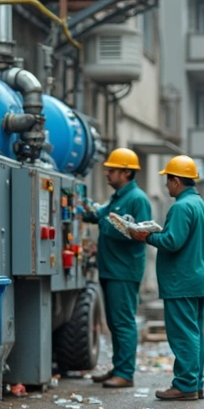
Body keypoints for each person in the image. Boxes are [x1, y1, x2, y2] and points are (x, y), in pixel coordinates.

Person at [130, 155, 204, 401]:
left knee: (183, 335)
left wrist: (146, 236)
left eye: (168, 180)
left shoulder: (180, 207)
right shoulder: (200, 205)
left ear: (176, 181)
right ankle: (194, 383)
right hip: (198, 280)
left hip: (181, 282)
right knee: (195, 334)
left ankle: (185, 385)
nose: (166, 186)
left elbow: (172, 241)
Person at [83, 148, 153, 388]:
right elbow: (99, 214)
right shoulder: (118, 197)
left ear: (126, 172)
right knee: (114, 322)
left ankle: (125, 373)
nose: (107, 174)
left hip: (124, 270)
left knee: (122, 322)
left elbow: (138, 233)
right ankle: (118, 366)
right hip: (110, 268)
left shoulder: (137, 199)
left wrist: (104, 223)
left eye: (111, 170)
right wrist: (84, 209)